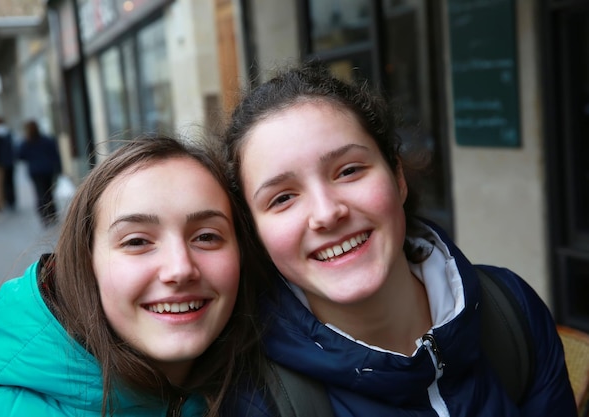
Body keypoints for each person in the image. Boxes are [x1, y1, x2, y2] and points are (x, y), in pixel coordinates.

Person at [222, 62, 577, 416]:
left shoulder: (511, 311)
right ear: (254, 234)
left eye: (348, 171)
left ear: (398, 176)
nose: (327, 213)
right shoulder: (259, 399)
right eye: (282, 197)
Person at [0, 135, 263, 416]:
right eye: (136, 241)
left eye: (207, 237)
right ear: (85, 263)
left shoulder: (275, 395)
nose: (180, 269)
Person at [18, 120, 62, 227]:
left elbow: (19, 155)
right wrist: (59, 168)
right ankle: (52, 214)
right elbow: (55, 154)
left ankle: (44, 215)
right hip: (48, 169)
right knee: (49, 192)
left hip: (36, 171)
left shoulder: (27, 142)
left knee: (40, 193)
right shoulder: (46, 140)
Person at [0, 116, 17, 211]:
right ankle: (12, 200)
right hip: (10, 162)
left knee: (3, 183)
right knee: (11, 182)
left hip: (1, 163)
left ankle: (7, 200)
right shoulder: (8, 132)